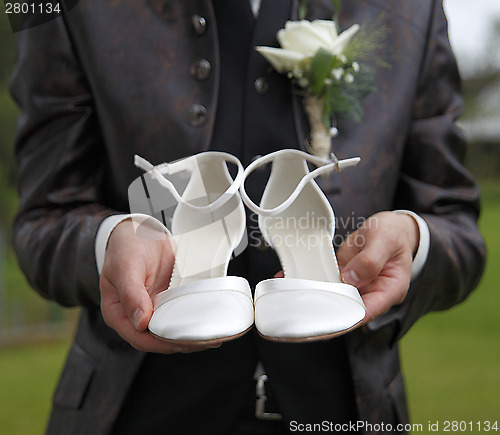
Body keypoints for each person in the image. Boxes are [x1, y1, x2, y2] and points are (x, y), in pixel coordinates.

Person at [10, 0, 485, 433]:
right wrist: (109, 239)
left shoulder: (413, 8)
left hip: (348, 414)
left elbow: (455, 222)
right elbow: (43, 218)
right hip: (136, 414)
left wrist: (414, 240)